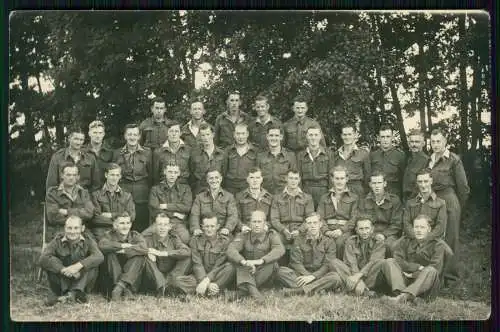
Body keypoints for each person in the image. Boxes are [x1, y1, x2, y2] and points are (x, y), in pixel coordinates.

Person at [39, 215, 104, 306]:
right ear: (65, 228)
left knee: (92, 263)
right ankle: (72, 295)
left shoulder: (88, 240)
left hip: (81, 279)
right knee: (51, 261)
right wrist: (63, 269)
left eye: (76, 228)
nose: (72, 232)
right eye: (69, 228)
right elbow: (43, 258)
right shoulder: (57, 240)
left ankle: (70, 294)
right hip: (63, 280)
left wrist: (78, 266)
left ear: (82, 228)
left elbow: (99, 256)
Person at [383, 215, 447, 303]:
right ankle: (403, 296)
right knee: (390, 261)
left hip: (426, 285)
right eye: (416, 227)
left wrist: (413, 275)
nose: (419, 230)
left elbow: (436, 268)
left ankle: (402, 297)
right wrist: (416, 267)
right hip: (406, 280)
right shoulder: (406, 240)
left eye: (422, 227)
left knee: (431, 270)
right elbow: (398, 259)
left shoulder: (438, 244)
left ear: (429, 229)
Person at [226, 210, 285, 303]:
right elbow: (231, 249)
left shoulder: (271, 235)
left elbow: (279, 249)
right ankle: (256, 295)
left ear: (264, 223)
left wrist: (260, 261)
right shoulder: (244, 235)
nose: (256, 225)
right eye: (254, 222)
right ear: (249, 223)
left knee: (272, 264)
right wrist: (244, 262)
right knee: (240, 264)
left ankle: (242, 292)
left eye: (259, 222)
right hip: (248, 271)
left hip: (265, 274)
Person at [277, 212, 342, 297]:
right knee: (281, 271)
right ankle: (319, 289)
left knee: (335, 277)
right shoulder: (298, 239)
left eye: (315, 223)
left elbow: (327, 265)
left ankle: (299, 291)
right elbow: (296, 263)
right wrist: (307, 276)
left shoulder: (329, 242)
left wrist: (313, 276)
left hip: (320, 274)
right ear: (306, 225)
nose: (312, 226)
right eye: (309, 223)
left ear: (320, 224)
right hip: (302, 274)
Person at [427, 128, 470, 253]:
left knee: (451, 238)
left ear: (445, 141)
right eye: (433, 142)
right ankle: (437, 270)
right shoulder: (429, 160)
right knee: (435, 237)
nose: (435, 145)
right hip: (433, 202)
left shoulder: (453, 160)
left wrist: (457, 206)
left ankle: (451, 272)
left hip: (449, 202)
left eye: (438, 141)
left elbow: (464, 188)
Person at [174, 213, 236, 298]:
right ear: (202, 227)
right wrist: (204, 281)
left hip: (217, 276)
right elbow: (197, 264)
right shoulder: (195, 241)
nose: (209, 229)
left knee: (230, 268)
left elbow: (219, 265)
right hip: (199, 277)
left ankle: (200, 292)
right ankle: (213, 292)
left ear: (218, 226)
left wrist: (206, 281)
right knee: (177, 281)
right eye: (207, 226)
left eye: (212, 226)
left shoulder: (225, 242)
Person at [331, 216, 387, 297]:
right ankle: (364, 291)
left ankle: (353, 289)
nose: (364, 232)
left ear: (372, 229)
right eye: (361, 229)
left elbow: (373, 262)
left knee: (382, 263)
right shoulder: (350, 241)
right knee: (334, 262)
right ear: (356, 230)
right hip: (353, 274)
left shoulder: (379, 242)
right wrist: (358, 280)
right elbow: (351, 263)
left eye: (367, 228)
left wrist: (357, 276)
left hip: (369, 275)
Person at [98, 212, 148, 301]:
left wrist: (124, 251)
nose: (125, 226)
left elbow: (144, 248)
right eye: (122, 223)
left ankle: (120, 287)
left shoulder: (135, 235)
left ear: (131, 224)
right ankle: (124, 289)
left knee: (139, 256)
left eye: (127, 223)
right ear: (115, 225)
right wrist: (122, 246)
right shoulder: (109, 235)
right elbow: (102, 245)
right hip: (111, 279)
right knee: (110, 254)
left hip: (131, 277)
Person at [112, 123, 153, 232]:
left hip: (142, 195)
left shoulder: (147, 153)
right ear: (125, 136)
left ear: (139, 136)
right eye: (129, 134)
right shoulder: (117, 154)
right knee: (123, 223)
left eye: (135, 134)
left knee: (141, 226)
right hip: (123, 194)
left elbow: (152, 175)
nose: (132, 137)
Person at [141, 213, 192, 298]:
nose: (162, 228)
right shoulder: (147, 239)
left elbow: (187, 251)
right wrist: (147, 251)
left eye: (165, 225)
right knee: (145, 258)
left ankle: (169, 285)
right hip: (153, 279)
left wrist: (165, 253)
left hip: (171, 275)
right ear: (154, 226)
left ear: (169, 227)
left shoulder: (174, 238)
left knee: (186, 258)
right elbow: (135, 248)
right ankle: (162, 287)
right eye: (159, 224)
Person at [270, 169, 314, 264]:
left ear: (299, 180)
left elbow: (309, 219)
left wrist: (299, 230)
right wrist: (284, 230)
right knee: (275, 241)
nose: (293, 181)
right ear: (286, 179)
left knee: (303, 244)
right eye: (291, 178)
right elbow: (274, 219)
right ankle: (278, 270)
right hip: (282, 231)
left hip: (300, 231)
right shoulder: (277, 198)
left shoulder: (307, 198)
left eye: (295, 178)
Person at [316, 165, 359, 259]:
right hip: (328, 229)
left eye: (342, 178)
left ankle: (339, 268)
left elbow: (354, 218)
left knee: (339, 242)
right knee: (322, 241)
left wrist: (341, 230)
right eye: (337, 178)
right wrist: (326, 231)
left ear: (347, 179)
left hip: (345, 231)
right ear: (332, 179)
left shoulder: (354, 197)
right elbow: (320, 217)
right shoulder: (324, 197)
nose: (339, 181)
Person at [143, 163, 193, 244]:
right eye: (170, 172)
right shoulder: (155, 189)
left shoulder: (185, 189)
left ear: (179, 173)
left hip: (178, 223)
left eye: (175, 172)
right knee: (143, 238)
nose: (172, 175)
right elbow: (154, 210)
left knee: (186, 239)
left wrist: (166, 206)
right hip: (160, 222)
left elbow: (187, 207)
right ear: (165, 172)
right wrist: (174, 214)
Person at [45, 162, 95, 241]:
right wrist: (79, 214)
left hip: (81, 229)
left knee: (93, 244)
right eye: (68, 175)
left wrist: (66, 212)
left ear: (78, 177)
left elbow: (89, 213)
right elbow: (53, 217)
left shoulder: (83, 193)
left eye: (74, 175)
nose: (71, 178)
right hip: (61, 229)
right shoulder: (53, 193)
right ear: (62, 175)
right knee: (62, 248)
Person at [358, 172, 403, 256]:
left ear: (384, 184)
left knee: (390, 245)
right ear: (370, 184)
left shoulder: (394, 200)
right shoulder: (364, 201)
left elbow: (397, 224)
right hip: (368, 232)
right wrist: (373, 234)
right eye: (374, 183)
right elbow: (361, 220)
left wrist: (384, 235)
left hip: (389, 234)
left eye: (379, 183)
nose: (377, 186)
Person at [90, 163, 136, 241]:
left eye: (117, 175)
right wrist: (121, 218)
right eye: (112, 175)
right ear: (106, 175)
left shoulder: (127, 196)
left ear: (120, 177)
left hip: (121, 231)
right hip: (102, 232)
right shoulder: (96, 195)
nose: (114, 178)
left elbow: (131, 216)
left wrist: (111, 215)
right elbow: (96, 218)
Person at [46, 127, 100, 193]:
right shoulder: (57, 157)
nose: (78, 142)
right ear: (69, 139)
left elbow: (96, 185)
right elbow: (51, 185)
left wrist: (88, 199)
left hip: (85, 199)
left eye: (81, 140)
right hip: (63, 199)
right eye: (76, 139)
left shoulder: (90, 158)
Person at [190, 169, 239, 237]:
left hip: (223, 233)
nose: (214, 180)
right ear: (207, 180)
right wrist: (196, 228)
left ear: (221, 179)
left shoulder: (229, 197)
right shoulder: (199, 197)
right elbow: (194, 215)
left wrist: (227, 228)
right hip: (204, 232)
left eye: (216, 177)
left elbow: (233, 215)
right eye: (211, 178)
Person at [402, 169, 447, 242]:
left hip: (432, 240)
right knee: (394, 247)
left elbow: (440, 227)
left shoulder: (441, 203)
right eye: (420, 182)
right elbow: (406, 224)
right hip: (412, 239)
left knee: (448, 252)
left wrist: (426, 239)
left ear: (431, 181)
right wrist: (416, 237)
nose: (423, 185)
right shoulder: (410, 203)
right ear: (417, 183)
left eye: (426, 181)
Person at [297, 125, 332, 208]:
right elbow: (298, 177)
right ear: (307, 136)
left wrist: (330, 194)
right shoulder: (300, 155)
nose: (313, 138)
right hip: (306, 190)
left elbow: (332, 176)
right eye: (311, 135)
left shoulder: (329, 154)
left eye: (316, 135)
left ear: (320, 136)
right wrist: (300, 194)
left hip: (323, 191)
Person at [332, 122, 371, 198]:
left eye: (349, 134)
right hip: (340, 190)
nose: (347, 137)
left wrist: (365, 193)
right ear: (341, 136)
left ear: (355, 135)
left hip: (357, 190)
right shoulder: (336, 155)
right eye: (345, 135)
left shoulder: (363, 154)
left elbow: (367, 177)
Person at [256, 124, 297, 195]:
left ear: (281, 137)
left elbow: (295, 178)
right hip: (265, 196)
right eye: (271, 135)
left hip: (284, 196)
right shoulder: (260, 156)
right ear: (267, 137)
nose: (274, 138)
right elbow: (255, 178)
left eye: (276, 135)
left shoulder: (290, 155)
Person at [221, 123, 259, 195]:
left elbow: (257, 170)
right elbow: (224, 170)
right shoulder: (228, 150)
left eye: (243, 133)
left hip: (247, 186)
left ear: (247, 134)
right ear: (234, 135)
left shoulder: (254, 151)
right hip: (230, 187)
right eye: (238, 134)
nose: (240, 137)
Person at [369, 125, 406, 199]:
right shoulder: (373, 155)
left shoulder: (400, 155)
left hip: (394, 195)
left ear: (392, 137)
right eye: (382, 137)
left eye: (388, 136)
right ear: (378, 138)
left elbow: (404, 179)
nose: (385, 140)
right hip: (376, 195)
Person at [188, 123, 225, 195]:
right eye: (203, 135)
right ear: (200, 136)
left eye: (208, 134)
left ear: (213, 135)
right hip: (199, 191)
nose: (205, 138)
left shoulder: (222, 154)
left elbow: (224, 174)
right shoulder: (194, 154)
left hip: (217, 191)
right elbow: (192, 174)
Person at [235, 167, 273, 233]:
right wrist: (242, 227)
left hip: (264, 231)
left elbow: (273, 218)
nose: (255, 180)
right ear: (247, 179)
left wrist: (267, 226)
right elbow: (235, 217)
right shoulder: (239, 196)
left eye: (257, 178)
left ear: (261, 179)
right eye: (252, 177)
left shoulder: (269, 197)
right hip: (246, 230)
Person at [152, 120, 191, 185]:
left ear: (180, 133)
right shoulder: (158, 152)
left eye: (176, 131)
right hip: (164, 189)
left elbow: (192, 174)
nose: (174, 134)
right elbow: (155, 177)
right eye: (171, 131)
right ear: (167, 133)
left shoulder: (188, 150)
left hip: (183, 189)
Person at [83, 120, 115, 189]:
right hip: (86, 193)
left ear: (103, 134)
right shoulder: (82, 152)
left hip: (105, 192)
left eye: (100, 133)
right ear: (89, 133)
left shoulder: (110, 152)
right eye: (95, 133)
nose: (97, 136)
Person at [402, 129, 430, 202]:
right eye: (412, 142)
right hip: (406, 200)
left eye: (417, 142)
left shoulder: (426, 161)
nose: (414, 145)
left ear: (423, 143)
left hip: (417, 201)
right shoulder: (409, 160)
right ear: (409, 144)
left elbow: (425, 186)